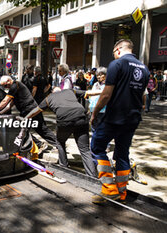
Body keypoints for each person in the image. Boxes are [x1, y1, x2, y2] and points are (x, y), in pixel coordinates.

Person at [90, 39, 149, 204]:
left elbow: (107, 94)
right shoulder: (144, 69)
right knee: (123, 153)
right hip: (133, 118)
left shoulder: (117, 64)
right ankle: (121, 193)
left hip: (115, 117)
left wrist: (94, 113)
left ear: (117, 50)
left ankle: (109, 190)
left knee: (96, 146)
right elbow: (144, 96)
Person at [21, 87, 97, 177]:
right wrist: (105, 91)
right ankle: (92, 175)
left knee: (60, 142)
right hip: (81, 118)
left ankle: (64, 166)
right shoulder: (70, 91)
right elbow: (89, 93)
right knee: (84, 149)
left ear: (52, 92)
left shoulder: (49, 98)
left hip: (65, 121)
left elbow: (36, 110)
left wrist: (25, 118)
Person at [0, 75, 59, 153]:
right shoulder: (15, 88)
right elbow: (10, 104)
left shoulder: (15, 85)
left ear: (9, 81)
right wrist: (0, 112)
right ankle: (44, 144)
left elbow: (5, 101)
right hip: (29, 110)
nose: (6, 88)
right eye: (4, 86)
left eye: (6, 85)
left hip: (30, 110)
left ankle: (53, 145)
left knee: (35, 129)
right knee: (28, 129)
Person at [88, 67, 107, 131]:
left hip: (103, 111)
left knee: (102, 130)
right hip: (93, 110)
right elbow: (92, 98)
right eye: (97, 75)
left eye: (101, 74)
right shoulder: (95, 84)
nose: (99, 76)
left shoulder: (108, 85)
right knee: (94, 129)